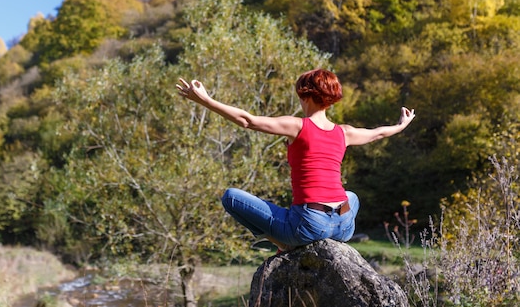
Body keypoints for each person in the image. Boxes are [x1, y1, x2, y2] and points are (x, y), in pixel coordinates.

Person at [176, 68, 416, 252]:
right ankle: (316, 231)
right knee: (351, 196)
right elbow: (378, 133)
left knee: (231, 197)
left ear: (307, 95)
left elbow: (247, 121)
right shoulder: (344, 132)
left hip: (310, 225)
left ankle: (282, 243)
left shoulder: (297, 126)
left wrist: (205, 100)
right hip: (344, 226)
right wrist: (401, 125)